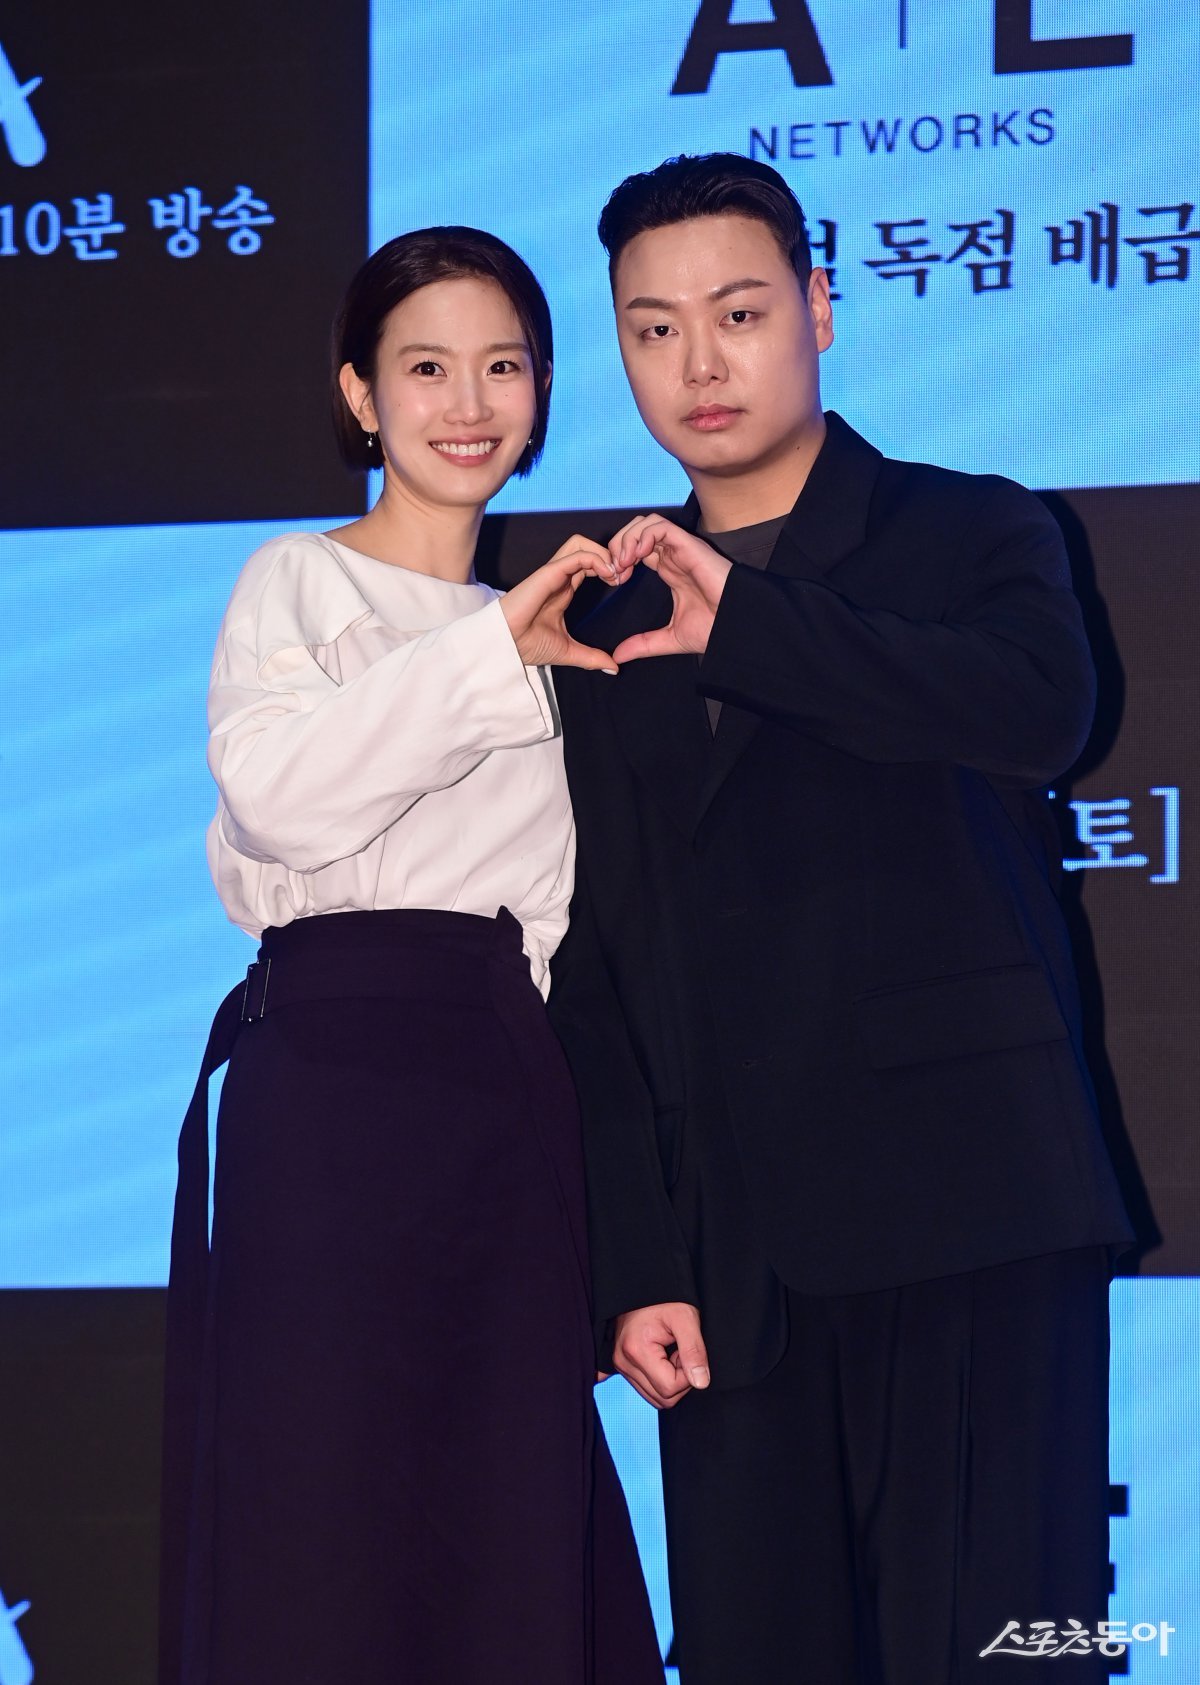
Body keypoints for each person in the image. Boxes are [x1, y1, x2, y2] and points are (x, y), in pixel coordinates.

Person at [548, 154, 1134, 1683]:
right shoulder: (594, 618)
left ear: (816, 308)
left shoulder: (976, 532)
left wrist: (746, 624)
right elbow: (591, 957)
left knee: (1025, 1643)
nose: (699, 363)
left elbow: (1040, 712)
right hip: (734, 1265)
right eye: (652, 328)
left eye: (739, 312)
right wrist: (631, 1255)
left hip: (977, 1211)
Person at [158, 226, 663, 1685]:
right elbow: (286, 805)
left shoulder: (566, 631)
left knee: (506, 1507)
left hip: (502, 1095)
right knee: (321, 1516)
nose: (468, 400)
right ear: (360, 396)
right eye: (425, 366)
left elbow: (562, 927)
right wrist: (494, 647)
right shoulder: (296, 582)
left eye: (502, 364)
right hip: (328, 1090)